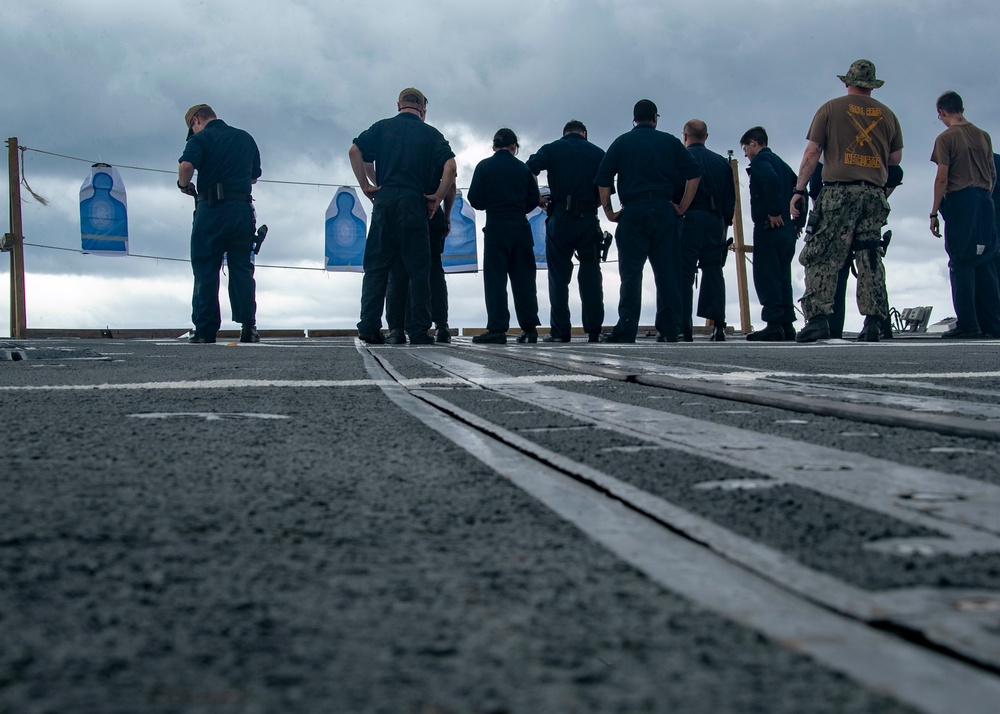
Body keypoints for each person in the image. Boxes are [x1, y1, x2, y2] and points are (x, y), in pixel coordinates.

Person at [790, 59, 903, 343]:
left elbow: (813, 151)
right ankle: (874, 322)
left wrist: (799, 189)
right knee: (869, 257)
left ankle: (817, 319)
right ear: (872, 85)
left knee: (821, 254)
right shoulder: (888, 115)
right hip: (874, 194)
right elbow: (895, 160)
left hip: (839, 192)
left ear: (847, 82)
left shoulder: (830, 108)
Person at [350, 88, 457, 345]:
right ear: (422, 110)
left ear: (399, 105)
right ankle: (419, 330)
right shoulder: (431, 134)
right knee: (419, 268)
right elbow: (451, 167)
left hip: (385, 201)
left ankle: (369, 326)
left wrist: (366, 186)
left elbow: (356, 151)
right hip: (414, 202)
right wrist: (437, 198)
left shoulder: (381, 128)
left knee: (377, 267)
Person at [595, 99, 701, 343]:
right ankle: (669, 329)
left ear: (634, 119)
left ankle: (627, 328)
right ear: (655, 118)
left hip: (632, 211)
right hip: (664, 210)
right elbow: (694, 173)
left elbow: (603, 178)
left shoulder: (621, 142)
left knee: (631, 273)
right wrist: (682, 206)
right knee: (667, 273)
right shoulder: (670, 142)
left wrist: (609, 212)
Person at [177, 104, 262, 344]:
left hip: (211, 210)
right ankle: (249, 327)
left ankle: (205, 331)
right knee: (242, 269)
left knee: (205, 268)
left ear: (196, 120)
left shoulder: (200, 139)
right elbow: (254, 176)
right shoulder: (245, 138)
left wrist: (184, 185)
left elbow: (186, 167)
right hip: (241, 210)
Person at [526, 120, 606, 343]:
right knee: (591, 273)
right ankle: (594, 331)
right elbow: (605, 187)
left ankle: (560, 331)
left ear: (565, 133)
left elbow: (529, 167)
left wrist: (536, 197)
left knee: (558, 277)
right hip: (588, 218)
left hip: (559, 218)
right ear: (584, 133)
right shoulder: (598, 153)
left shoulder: (551, 148)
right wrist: (597, 207)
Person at [929, 91, 1000, 338]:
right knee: (986, 260)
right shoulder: (983, 135)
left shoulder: (946, 138)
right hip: (985, 200)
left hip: (961, 199)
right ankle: (993, 324)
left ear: (942, 112)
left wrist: (934, 211)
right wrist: (985, 197)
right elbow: (992, 173)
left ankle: (968, 324)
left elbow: (942, 177)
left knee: (960, 262)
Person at [467, 128, 541, 344]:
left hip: (496, 225)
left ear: (493, 146)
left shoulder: (484, 166)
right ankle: (530, 329)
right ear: (513, 147)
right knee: (524, 279)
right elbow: (533, 200)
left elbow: (475, 199)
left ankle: (497, 329)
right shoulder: (523, 169)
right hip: (520, 225)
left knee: (496, 279)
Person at [740, 127, 798, 341]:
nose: (745, 153)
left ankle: (773, 323)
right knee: (783, 276)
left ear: (754, 142)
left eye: (745, 147)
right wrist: (797, 220)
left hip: (769, 226)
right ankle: (787, 323)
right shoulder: (782, 163)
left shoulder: (760, 162)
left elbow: (770, 181)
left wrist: (773, 212)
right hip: (787, 229)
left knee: (767, 275)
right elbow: (799, 187)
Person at [680, 119, 735, 342]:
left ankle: (684, 328)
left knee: (683, 273)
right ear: (706, 137)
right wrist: (725, 223)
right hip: (714, 221)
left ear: (685, 136)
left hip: (688, 219)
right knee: (713, 272)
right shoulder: (721, 162)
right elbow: (730, 198)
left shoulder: (681, 160)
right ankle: (718, 326)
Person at [384, 181, 457, 344]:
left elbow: (365, 161)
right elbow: (451, 184)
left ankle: (397, 329)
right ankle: (441, 326)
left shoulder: (395, 154)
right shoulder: (440, 154)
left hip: (399, 207)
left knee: (398, 269)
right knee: (434, 270)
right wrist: (446, 215)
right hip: (433, 210)